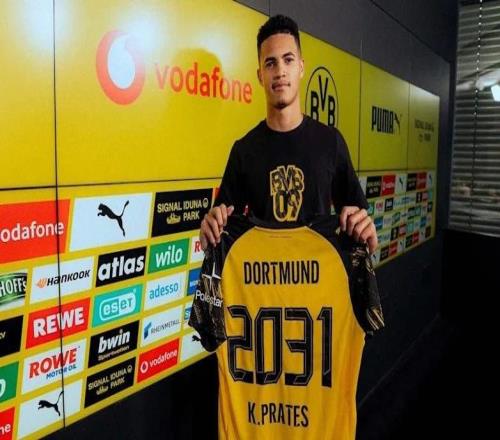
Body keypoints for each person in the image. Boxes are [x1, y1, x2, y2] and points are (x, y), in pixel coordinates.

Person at [199, 14, 377, 254]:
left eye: (288, 60)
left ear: (301, 67)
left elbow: (361, 224)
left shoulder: (330, 142)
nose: (280, 71)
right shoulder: (244, 150)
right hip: (262, 276)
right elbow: (221, 233)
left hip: (320, 276)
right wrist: (210, 229)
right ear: (260, 75)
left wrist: (365, 229)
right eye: (270, 63)